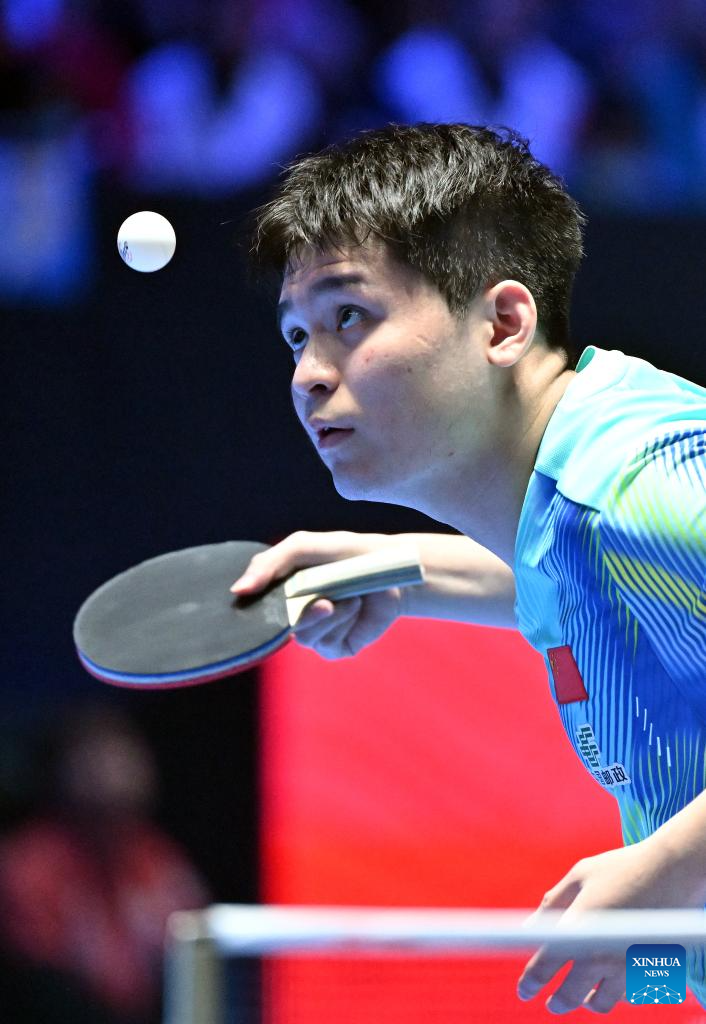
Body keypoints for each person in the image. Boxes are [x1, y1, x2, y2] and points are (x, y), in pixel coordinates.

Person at [231, 123, 706, 1013]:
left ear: (503, 324)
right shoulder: (582, 495)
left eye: (349, 317)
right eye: (297, 336)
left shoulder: (635, 487)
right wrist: (406, 573)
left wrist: (669, 865)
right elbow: (600, 577)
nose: (307, 376)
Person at [0, 703, 209, 1024]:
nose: (114, 771)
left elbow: (198, 960)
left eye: (123, 755)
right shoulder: (27, 867)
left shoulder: (159, 858)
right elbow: (39, 990)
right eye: (96, 757)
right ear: (63, 773)